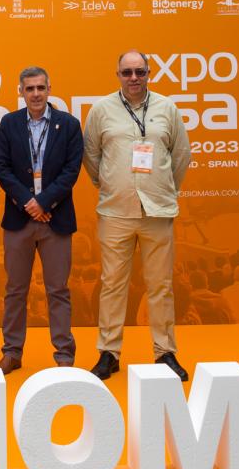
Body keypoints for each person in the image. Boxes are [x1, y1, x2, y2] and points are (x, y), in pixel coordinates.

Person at [82, 50, 193, 381]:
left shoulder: (167, 108)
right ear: (118, 74)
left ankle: (165, 352)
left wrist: (163, 187)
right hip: (116, 210)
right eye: (127, 72)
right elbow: (91, 156)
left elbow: (181, 155)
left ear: (149, 73)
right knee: (112, 285)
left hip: (157, 210)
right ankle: (109, 352)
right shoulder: (101, 110)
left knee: (161, 286)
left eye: (140, 72)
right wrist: (109, 183)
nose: (134, 78)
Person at [0, 66, 83, 373]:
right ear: (21, 92)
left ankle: (64, 355)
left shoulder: (68, 125)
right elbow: (2, 168)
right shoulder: (9, 123)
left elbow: (71, 170)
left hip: (55, 219)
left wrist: (43, 202)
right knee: (15, 290)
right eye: (29, 89)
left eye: (40, 88)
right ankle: (12, 353)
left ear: (49, 89)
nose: (35, 94)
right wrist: (29, 203)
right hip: (19, 220)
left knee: (58, 290)